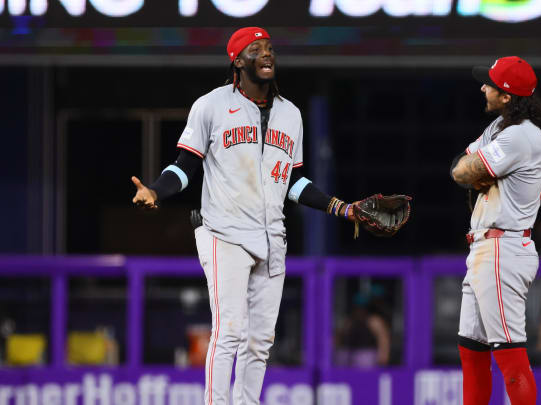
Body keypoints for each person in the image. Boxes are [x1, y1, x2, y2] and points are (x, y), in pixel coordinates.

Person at [130, 27, 389, 405]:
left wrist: (341, 208)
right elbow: (186, 166)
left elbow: (293, 181)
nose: (266, 54)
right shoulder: (211, 105)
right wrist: (155, 190)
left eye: (269, 48)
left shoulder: (291, 114)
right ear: (237, 61)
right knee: (230, 330)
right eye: (256, 49)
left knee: (260, 340)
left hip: (271, 237)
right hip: (222, 232)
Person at [451, 56, 541, 405]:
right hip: (484, 249)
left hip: (502, 249)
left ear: (507, 95)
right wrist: (474, 169)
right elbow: (458, 163)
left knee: (510, 356)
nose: (483, 87)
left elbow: (463, 174)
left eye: (490, 83)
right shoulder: (499, 128)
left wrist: (474, 171)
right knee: (471, 350)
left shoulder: (524, 137)